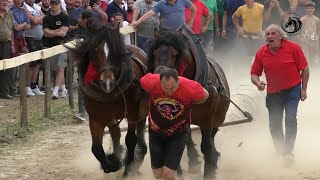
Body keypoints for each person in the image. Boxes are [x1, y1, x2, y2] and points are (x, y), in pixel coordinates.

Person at [250, 24, 309, 164]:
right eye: (268, 34)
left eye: (273, 33)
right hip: (273, 94)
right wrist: (257, 83)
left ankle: (288, 153)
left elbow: (305, 69)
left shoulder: (293, 47)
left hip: (292, 91)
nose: (270, 36)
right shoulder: (261, 52)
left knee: (290, 118)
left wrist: (304, 89)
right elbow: (254, 73)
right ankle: (280, 150)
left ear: (281, 36)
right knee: (274, 124)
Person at [140, 67, 209, 180]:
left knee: (169, 175)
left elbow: (205, 95)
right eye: (165, 88)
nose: (169, 91)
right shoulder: (150, 82)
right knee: (158, 174)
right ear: (159, 82)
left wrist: (191, 102)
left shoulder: (190, 87)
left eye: (172, 88)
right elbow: (142, 81)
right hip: (155, 132)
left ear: (178, 81)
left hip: (178, 133)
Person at [43, 0, 69, 99]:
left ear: (59, 5)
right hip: (51, 46)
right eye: (52, 4)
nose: (54, 6)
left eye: (56, 4)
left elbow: (64, 31)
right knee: (55, 69)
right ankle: (64, 89)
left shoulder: (64, 16)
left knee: (60, 68)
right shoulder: (46, 18)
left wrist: (51, 32)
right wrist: (57, 32)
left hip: (62, 45)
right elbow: (45, 32)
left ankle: (55, 91)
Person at [23, 0, 46, 96]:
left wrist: (37, 20)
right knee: (31, 63)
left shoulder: (36, 6)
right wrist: (37, 20)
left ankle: (33, 85)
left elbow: (45, 18)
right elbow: (34, 21)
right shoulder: (24, 7)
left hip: (39, 39)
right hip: (29, 38)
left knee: (38, 63)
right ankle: (26, 86)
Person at [131, 0, 197, 33]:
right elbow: (149, 13)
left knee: (193, 49)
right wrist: (137, 22)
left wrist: (190, 23)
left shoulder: (183, 0)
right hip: (166, 34)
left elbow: (194, 9)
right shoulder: (161, 4)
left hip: (182, 32)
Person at [232, 0, 264, 65]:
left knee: (259, 57)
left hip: (258, 37)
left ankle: (257, 72)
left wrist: (264, 30)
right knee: (247, 57)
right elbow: (234, 17)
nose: (247, 0)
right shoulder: (241, 8)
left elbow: (267, 18)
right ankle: (247, 71)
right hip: (246, 37)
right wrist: (239, 28)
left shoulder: (261, 7)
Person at [0, 0, 16, 99]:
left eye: (6, 0)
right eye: (2, 0)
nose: (4, 2)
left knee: (5, 67)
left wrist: (12, 44)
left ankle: (4, 92)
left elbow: (11, 30)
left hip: (6, 44)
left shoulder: (10, 13)